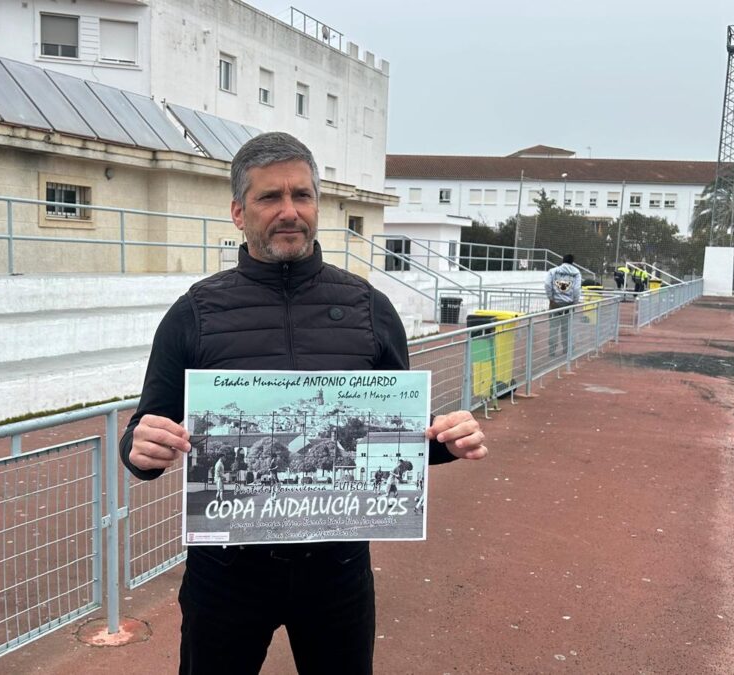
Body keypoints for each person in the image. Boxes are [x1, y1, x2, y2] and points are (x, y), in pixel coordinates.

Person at [119, 131, 488, 675]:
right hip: (226, 573)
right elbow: (143, 432)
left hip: (338, 571)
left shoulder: (370, 309)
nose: (290, 211)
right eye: (271, 197)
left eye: (303, 195)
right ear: (238, 212)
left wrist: (445, 439)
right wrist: (141, 449)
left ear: (317, 205)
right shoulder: (193, 313)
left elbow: (397, 430)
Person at [544, 253, 582, 357]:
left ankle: (551, 350)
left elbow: (547, 284)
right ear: (572, 262)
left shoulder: (553, 271)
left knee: (553, 327)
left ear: (563, 260)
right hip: (568, 304)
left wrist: (551, 298)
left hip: (555, 303)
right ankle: (567, 349)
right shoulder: (576, 273)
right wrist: (574, 302)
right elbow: (577, 289)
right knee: (567, 327)